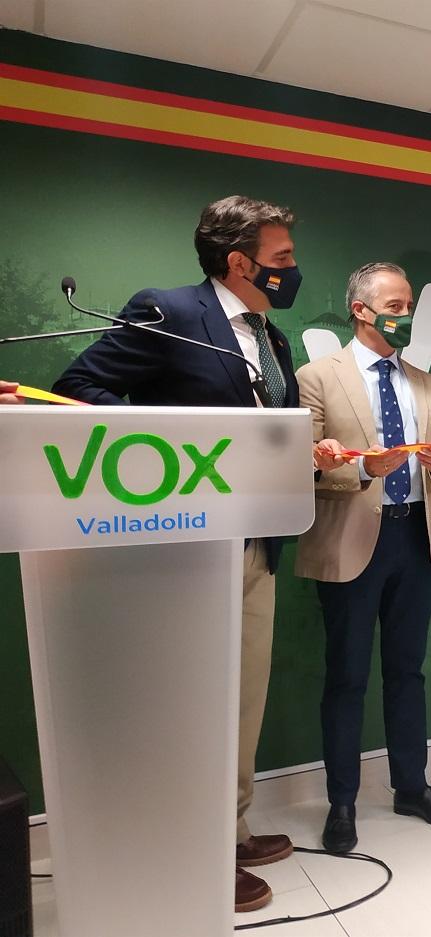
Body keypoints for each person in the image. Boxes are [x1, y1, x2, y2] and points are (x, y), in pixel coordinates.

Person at [52, 196, 302, 913]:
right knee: (193, 703)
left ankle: (231, 826)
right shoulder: (168, 312)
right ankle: (193, 847)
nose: (293, 270)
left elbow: (261, 429)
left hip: (258, 545)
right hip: (188, 549)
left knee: (242, 700)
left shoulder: (272, 338)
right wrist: (174, 441)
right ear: (239, 262)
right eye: (283, 259)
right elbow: (78, 387)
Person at [296, 263, 431, 854]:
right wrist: (361, 467)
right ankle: (341, 803)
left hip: (417, 537)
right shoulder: (317, 376)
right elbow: (302, 463)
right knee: (346, 677)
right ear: (362, 310)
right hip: (350, 542)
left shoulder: (426, 382)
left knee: (409, 671)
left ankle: (411, 787)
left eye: (411, 305)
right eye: (397, 304)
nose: (407, 315)